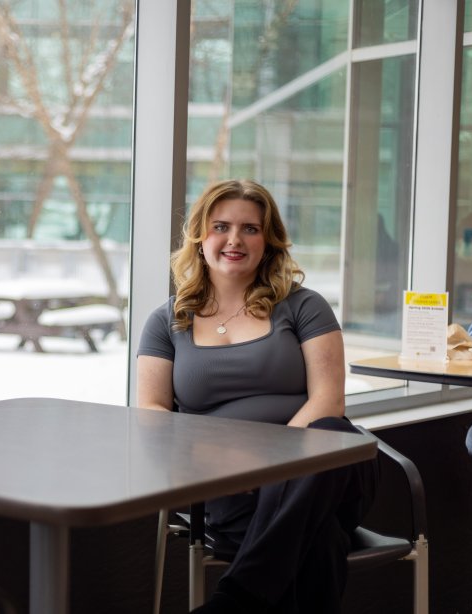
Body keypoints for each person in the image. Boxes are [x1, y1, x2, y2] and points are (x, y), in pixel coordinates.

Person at [137, 179, 378, 614]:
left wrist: (271, 467)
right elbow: (152, 413)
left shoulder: (304, 306)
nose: (234, 239)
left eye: (250, 228)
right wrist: (222, 465)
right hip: (224, 483)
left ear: (268, 241)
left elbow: (328, 401)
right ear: (199, 236)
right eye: (221, 226)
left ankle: (236, 599)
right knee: (320, 540)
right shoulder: (167, 320)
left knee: (329, 431)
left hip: (321, 473)